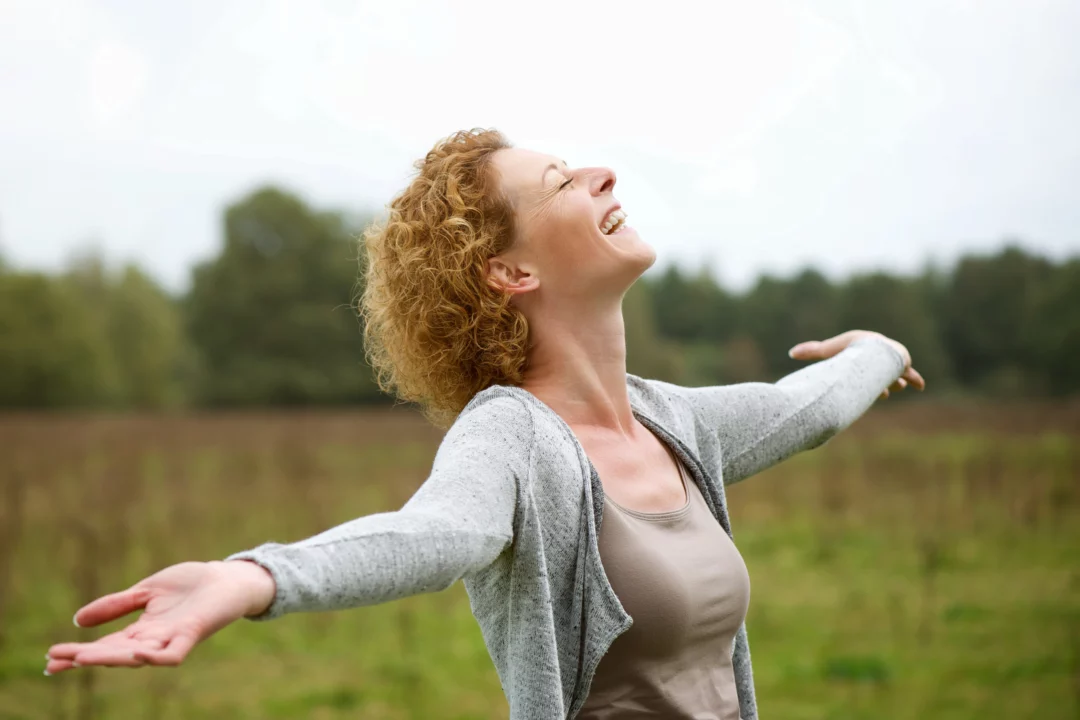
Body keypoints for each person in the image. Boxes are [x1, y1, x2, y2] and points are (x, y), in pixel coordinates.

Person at [44, 128, 924, 719]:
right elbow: (434, 532)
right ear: (510, 272)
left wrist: (877, 349)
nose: (601, 175)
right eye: (562, 185)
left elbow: (802, 407)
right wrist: (252, 578)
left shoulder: (671, 420)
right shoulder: (512, 437)